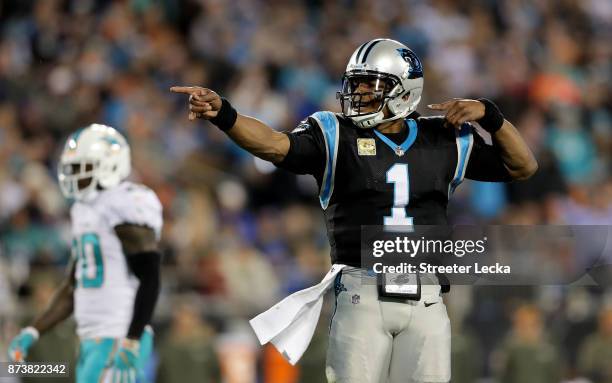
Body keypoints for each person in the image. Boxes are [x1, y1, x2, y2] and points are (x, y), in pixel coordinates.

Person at [171, 38, 537, 383]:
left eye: (370, 84)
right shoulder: (334, 133)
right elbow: (274, 145)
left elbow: (523, 167)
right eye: (356, 84)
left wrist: (492, 117)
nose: (359, 93)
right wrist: (225, 115)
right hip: (363, 293)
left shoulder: (444, 137)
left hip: (427, 296)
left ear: (404, 90)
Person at [7, 124, 163, 383]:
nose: (74, 174)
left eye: (82, 166)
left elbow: (151, 275)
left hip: (118, 336)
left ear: (110, 165)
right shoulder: (84, 209)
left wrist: (132, 339)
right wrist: (33, 330)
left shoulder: (122, 205)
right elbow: (73, 286)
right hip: (92, 338)